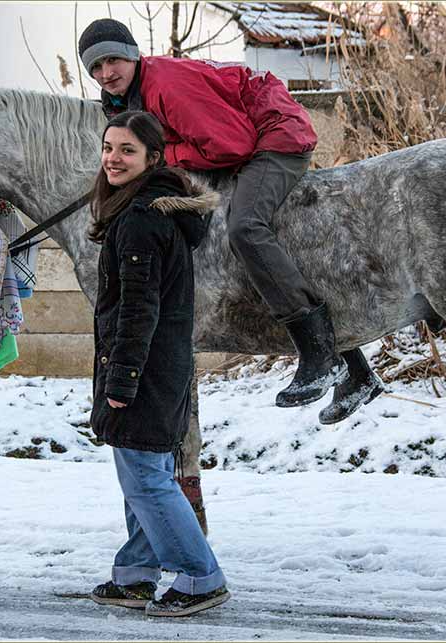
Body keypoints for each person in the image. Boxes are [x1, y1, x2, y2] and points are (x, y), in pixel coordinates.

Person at [78, 18, 384, 416]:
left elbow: (230, 145)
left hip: (274, 135)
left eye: (113, 60)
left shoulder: (166, 86)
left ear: (133, 55)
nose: (106, 73)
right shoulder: (125, 98)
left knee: (245, 228)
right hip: (241, 144)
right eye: (95, 67)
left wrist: (163, 158)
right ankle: (358, 374)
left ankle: (320, 354)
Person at [88, 109, 229, 617]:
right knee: (142, 473)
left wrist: (122, 379)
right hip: (161, 365)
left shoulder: (142, 221)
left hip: (145, 369)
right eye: (109, 147)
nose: (113, 158)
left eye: (127, 150)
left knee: (146, 477)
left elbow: (138, 309)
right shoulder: (144, 212)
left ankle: (200, 576)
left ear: (152, 158)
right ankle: (137, 573)